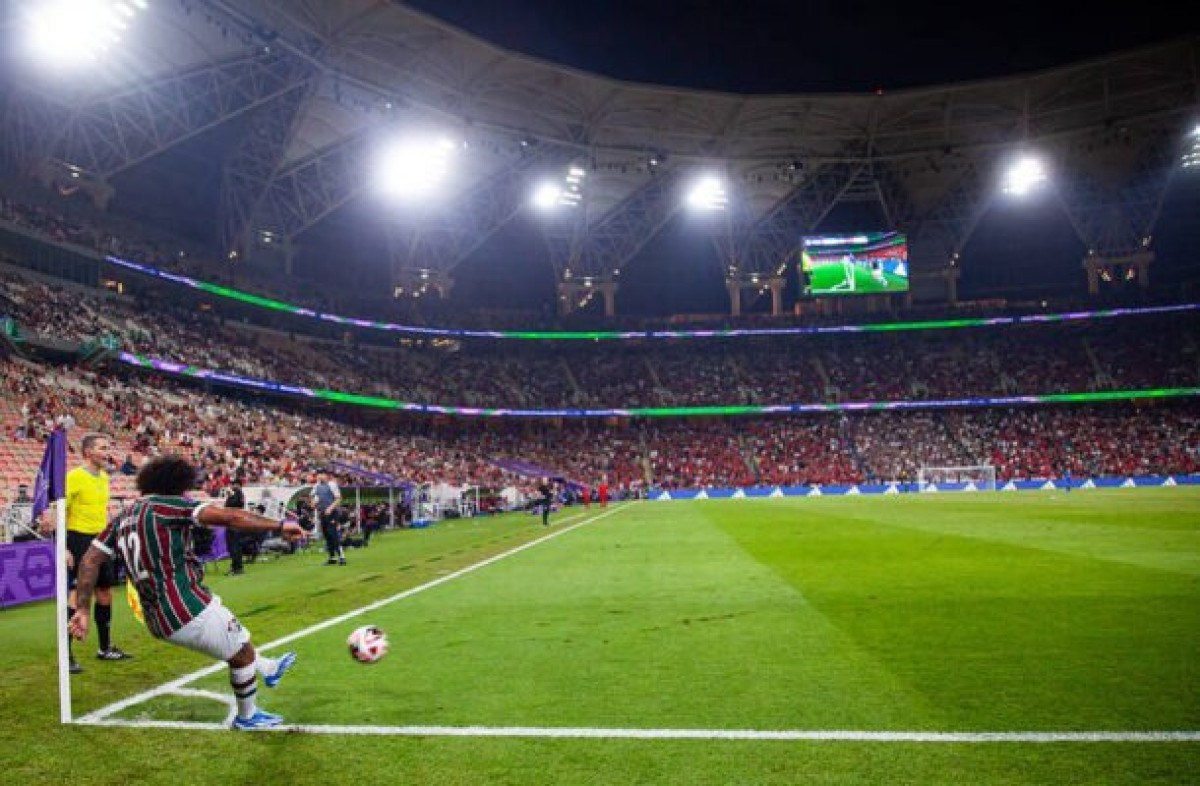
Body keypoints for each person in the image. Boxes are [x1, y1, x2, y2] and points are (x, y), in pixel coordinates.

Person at [69, 454, 304, 730]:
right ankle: (248, 716)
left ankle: (269, 669)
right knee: (240, 653)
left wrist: (83, 608)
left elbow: (89, 560)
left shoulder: (123, 517)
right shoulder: (167, 506)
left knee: (239, 641)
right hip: (183, 605)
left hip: (158, 614)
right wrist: (278, 525)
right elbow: (228, 516)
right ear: (176, 483)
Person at [64, 433, 129, 673]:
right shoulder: (73, 477)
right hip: (78, 539)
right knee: (77, 594)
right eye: (103, 448)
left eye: (108, 446)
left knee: (104, 593)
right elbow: (59, 512)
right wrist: (64, 547)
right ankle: (66, 654)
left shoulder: (103, 477)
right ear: (88, 452)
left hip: (101, 540)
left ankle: (105, 648)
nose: (107, 451)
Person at [312, 469, 345, 566]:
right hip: (322, 514)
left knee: (333, 534)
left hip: (332, 513)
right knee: (327, 536)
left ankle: (342, 557)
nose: (319, 476)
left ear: (326, 475)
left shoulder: (332, 485)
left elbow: (338, 498)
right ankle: (332, 558)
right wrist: (313, 503)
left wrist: (330, 508)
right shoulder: (316, 486)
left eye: (321, 474)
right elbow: (315, 498)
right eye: (318, 475)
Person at [224, 481, 246, 576]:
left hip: (234, 523)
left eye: (233, 484)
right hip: (233, 523)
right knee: (233, 547)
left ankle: (237, 568)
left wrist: (230, 496)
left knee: (235, 547)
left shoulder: (238, 494)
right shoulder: (236, 494)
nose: (232, 486)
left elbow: (231, 505)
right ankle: (236, 567)